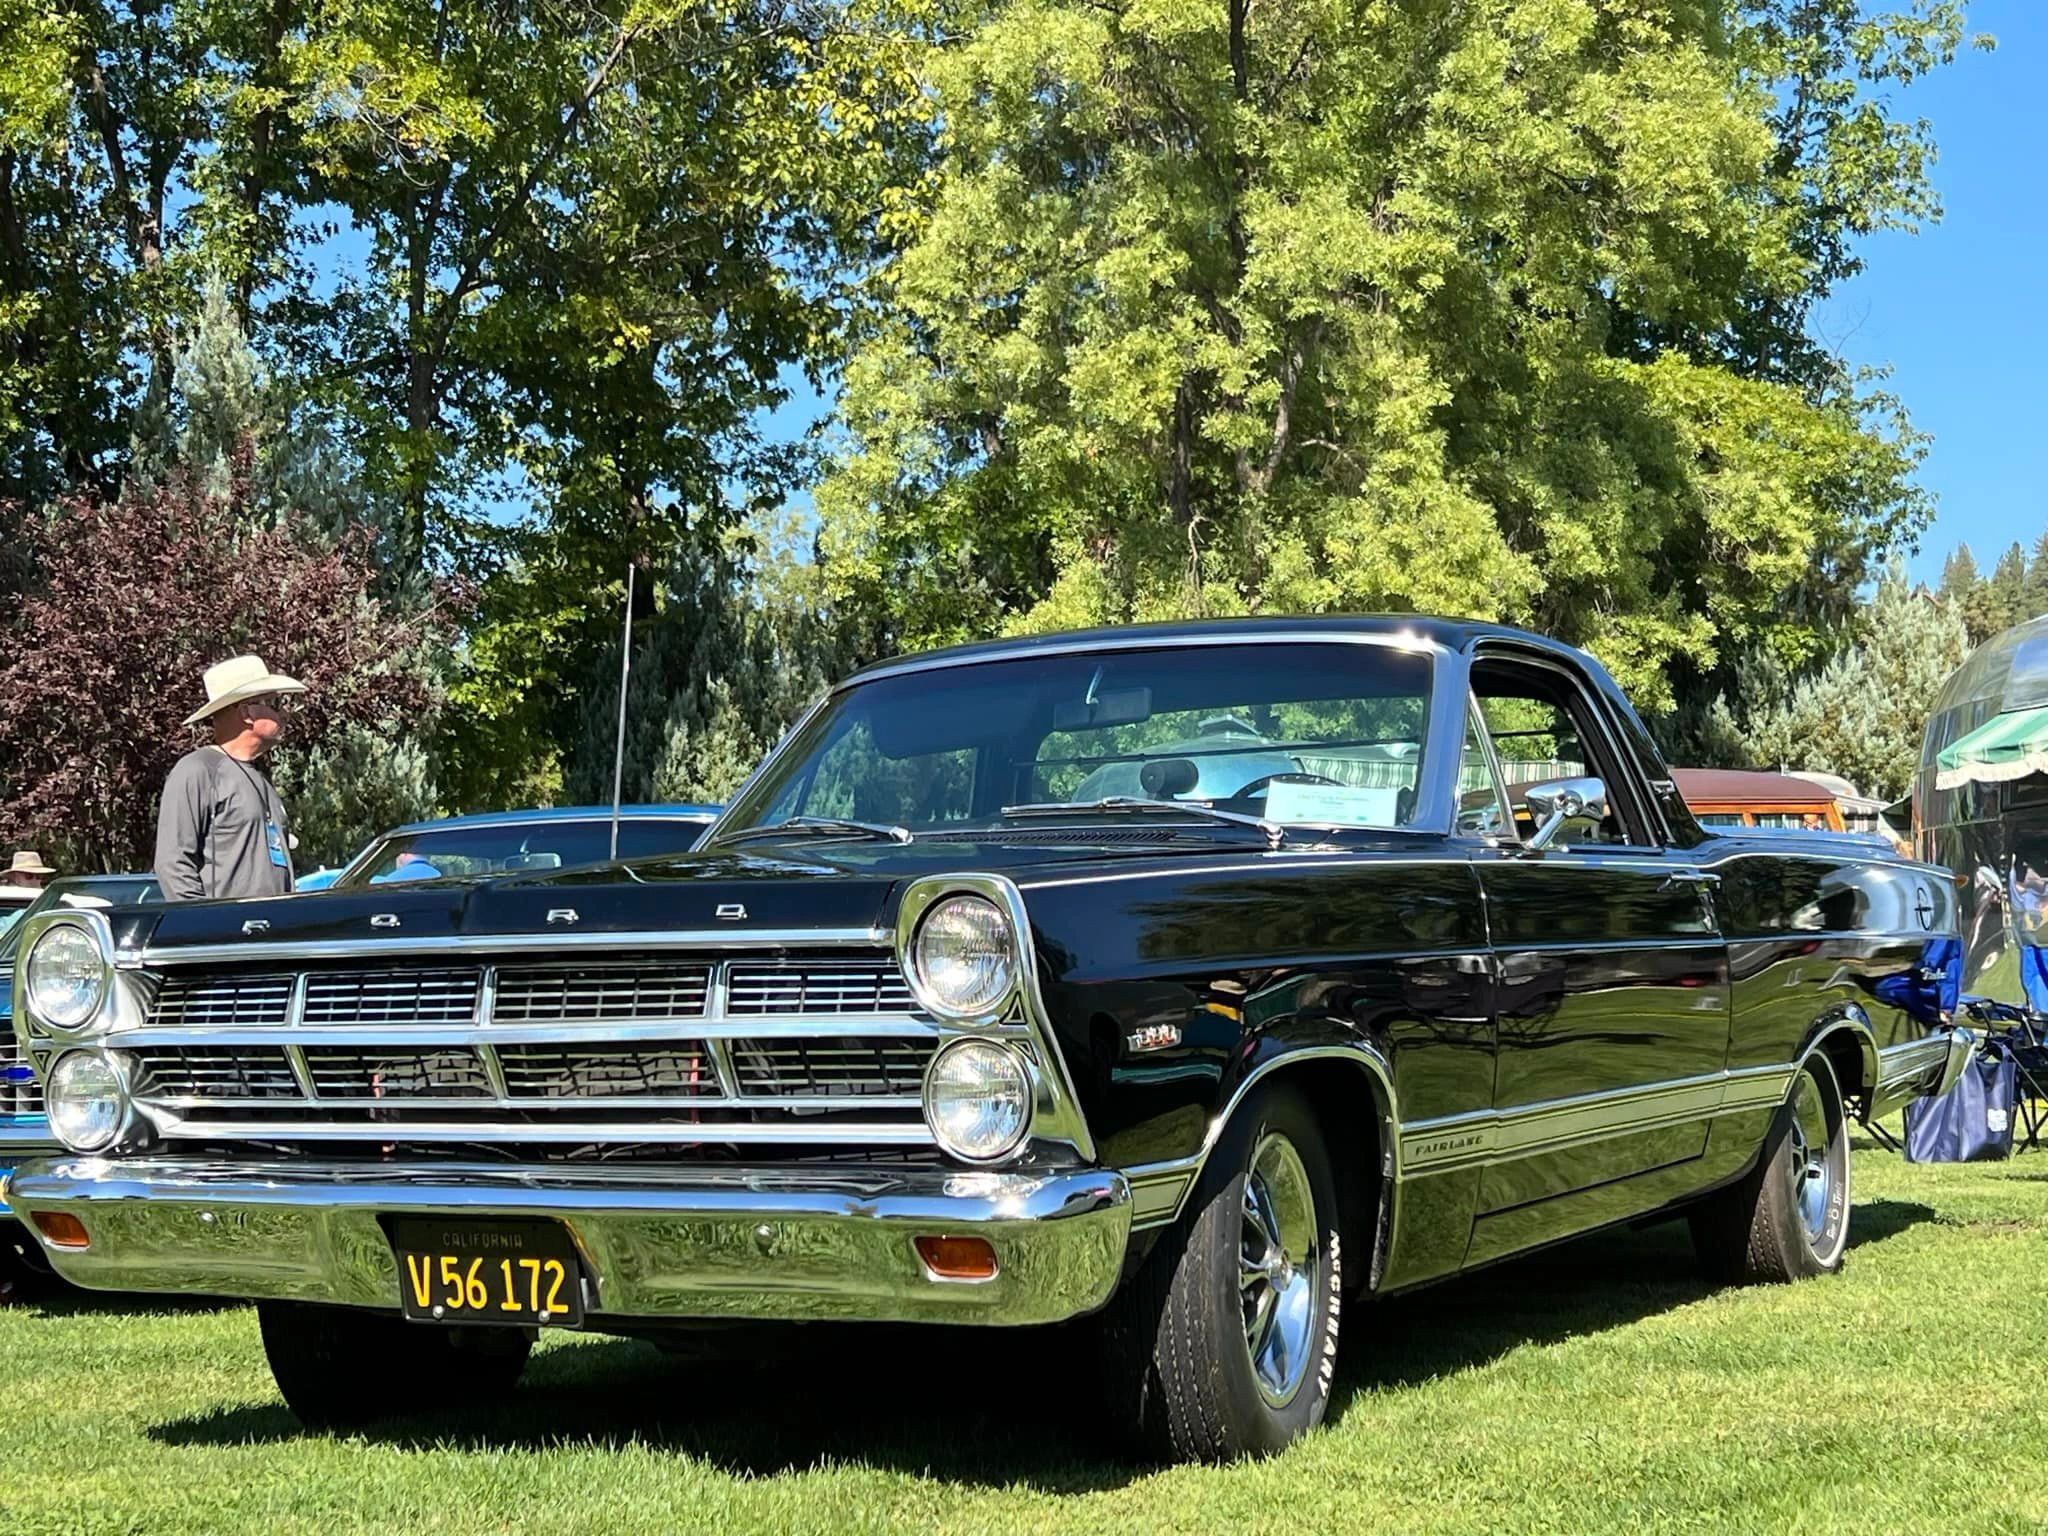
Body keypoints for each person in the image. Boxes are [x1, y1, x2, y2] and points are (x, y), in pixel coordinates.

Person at [154, 655, 306, 901]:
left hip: (277, 924)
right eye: (274, 704)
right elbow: (173, 864)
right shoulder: (197, 771)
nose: (284, 714)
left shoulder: (260, 779)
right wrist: (206, 920)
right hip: (228, 924)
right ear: (246, 713)